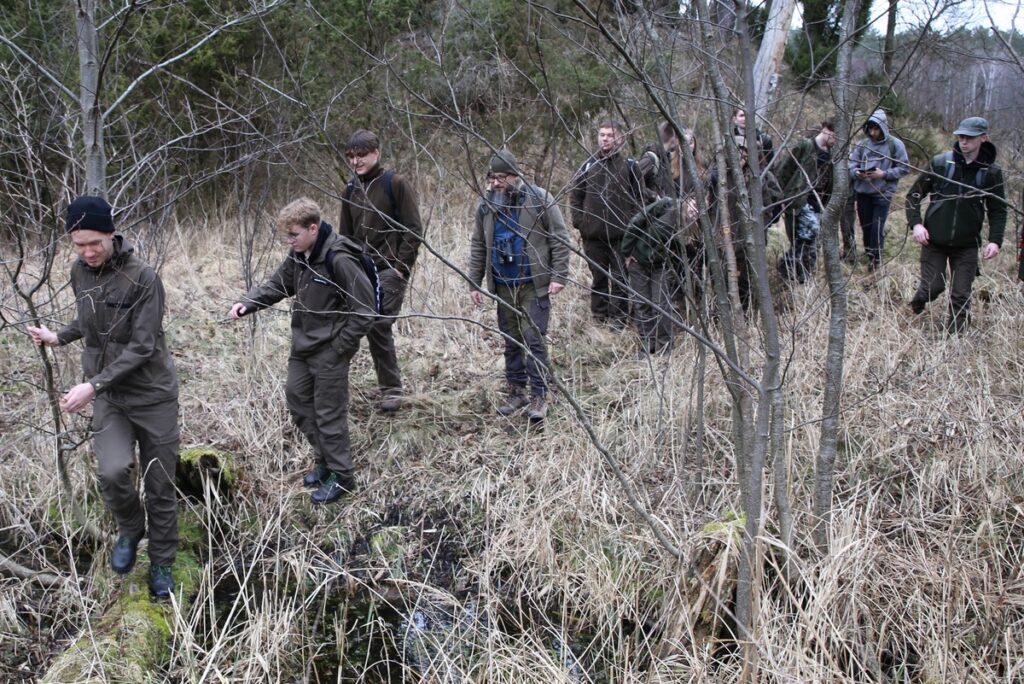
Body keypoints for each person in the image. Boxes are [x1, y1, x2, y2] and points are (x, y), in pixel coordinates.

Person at [27, 196, 180, 599]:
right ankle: (131, 529)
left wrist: (92, 386)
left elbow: (143, 346)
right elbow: (90, 316)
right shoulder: (80, 271)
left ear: (112, 234)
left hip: (152, 394)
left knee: (160, 482)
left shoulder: (143, 278)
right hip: (111, 395)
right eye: (79, 244)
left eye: (95, 242)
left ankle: (163, 561)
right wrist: (59, 336)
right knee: (113, 472)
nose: (88, 252)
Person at [230, 198, 375, 503]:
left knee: (329, 413)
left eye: (293, 235)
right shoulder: (299, 254)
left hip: (330, 349)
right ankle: (325, 462)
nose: (289, 241)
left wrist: (339, 347)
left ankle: (343, 476)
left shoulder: (339, 258)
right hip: (303, 344)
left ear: (313, 227)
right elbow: (279, 283)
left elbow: (365, 310)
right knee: (298, 403)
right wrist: (249, 303)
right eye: (286, 236)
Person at [468, 150, 570, 420]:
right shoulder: (486, 205)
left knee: (534, 339)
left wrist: (559, 275)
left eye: (502, 177)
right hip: (502, 285)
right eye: (492, 177)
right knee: (511, 341)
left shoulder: (539, 198)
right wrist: (474, 283)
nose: (496, 183)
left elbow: (559, 237)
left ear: (516, 176)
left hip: (532, 284)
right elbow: (478, 244)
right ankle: (516, 393)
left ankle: (539, 396)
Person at [339, 129, 424, 413]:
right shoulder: (350, 190)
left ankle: (392, 389)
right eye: (351, 156)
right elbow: (345, 238)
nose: (356, 161)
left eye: (361, 155)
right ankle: (332, 386)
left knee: (378, 324)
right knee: (346, 324)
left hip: (390, 270)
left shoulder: (395, 183)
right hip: (360, 273)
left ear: (376, 152)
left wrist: (401, 269)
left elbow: (414, 229)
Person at [906, 116, 1007, 333]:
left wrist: (995, 241)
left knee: (961, 294)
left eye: (969, 138)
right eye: (961, 137)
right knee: (934, 287)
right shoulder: (941, 163)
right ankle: (918, 301)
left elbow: (998, 209)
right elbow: (913, 195)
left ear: (983, 138)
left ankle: (955, 339)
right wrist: (916, 225)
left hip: (967, 245)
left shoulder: (992, 172)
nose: (964, 142)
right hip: (934, 240)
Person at [569, 120, 657, 328]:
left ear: (620, 139)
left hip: (622, 237)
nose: (605, 138)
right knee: (599, 279)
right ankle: (599, 320)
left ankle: (618, 322)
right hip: (593, 237)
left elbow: (640, 198)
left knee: (620, 280)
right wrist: (581, 223)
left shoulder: (630, 166)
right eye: (602, 135)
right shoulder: (588, 165)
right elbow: (576, 197)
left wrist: (632, 226)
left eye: (610, 135)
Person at [707, 136, 782, 312]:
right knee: (723, 282)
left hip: (750, 243)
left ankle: (747, 318)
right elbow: (707, 206)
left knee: (746, 284)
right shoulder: (717, 177)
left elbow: (771, 206)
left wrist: (760, 229)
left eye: (745, 152)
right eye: (737, 152)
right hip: (723, 240)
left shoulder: (758, 177)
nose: (741, 156)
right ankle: (722, 321)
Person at [774, 120, 837, 283]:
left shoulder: (833, 155)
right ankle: (788, 266)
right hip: (799, 200)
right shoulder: (805, 146)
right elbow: (783, 170)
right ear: (827, 130)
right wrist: (780, 197)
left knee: (810, 242)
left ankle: (802, 275)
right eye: (835, 136)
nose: (836, 141)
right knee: (811, 231)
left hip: (819, 203)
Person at [848, 110, 910, 270]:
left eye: (876, 129)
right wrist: (857, 173)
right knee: (866, 226)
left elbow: (904, 167)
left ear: (883, 128)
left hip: (883, 193)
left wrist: (884, 174)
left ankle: (876, 261)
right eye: (870, 129)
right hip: (863, 193)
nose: (873, 132)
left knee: (877, 227)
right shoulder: (862, 145)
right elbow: (851, 164)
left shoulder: (895, 144)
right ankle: (869, 253)